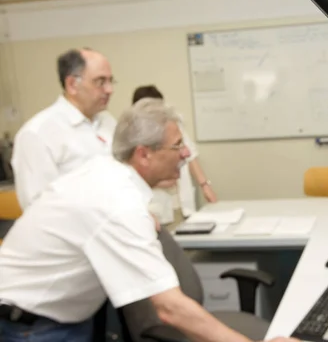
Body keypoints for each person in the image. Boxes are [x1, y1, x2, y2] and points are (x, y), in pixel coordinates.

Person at [0, 98, 298, 342]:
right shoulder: (117, 203)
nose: (185, 154)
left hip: (58, 314)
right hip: (30, 324)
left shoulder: (110, 175)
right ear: (143, 154)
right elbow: (169, 309)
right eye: (177, 145)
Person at [10, 47, 116, 210]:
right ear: (72, 84)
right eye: (100, 82)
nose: (109, 90)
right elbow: (39, 208)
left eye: (110, 81)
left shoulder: (108, 122)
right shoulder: (37, 134)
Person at [132, 85, 217, 230]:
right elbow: (131, 172)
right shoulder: (133, 137)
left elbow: (191, 155)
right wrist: (159, 180)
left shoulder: (172, 127)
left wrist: (205, 186)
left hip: (181, 202)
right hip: (156, 207)